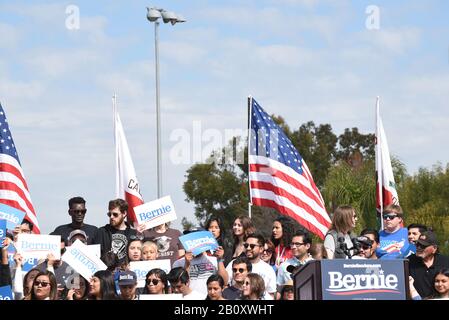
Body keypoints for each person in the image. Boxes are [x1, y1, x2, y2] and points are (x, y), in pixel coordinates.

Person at [226, 233, 276, 299]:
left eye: (252, 246)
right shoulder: (234, 263)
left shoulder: (268, 270)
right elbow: (225, 284)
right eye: (246, 245)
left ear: (261, 249)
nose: (248, 248)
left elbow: (271, 295)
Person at [94, 199, 137, 264]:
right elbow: (95, 256)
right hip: (107, 272)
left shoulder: (134, 233)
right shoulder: (101, 232)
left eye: (115, 214)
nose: (111, 217)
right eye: (109, 214)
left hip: (127, 272)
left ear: (124, 213)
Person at [408, 231, 449, 298]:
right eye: (417, 244)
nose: (419, 247)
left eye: (423, 246)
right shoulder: (408, 262)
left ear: (434, 248)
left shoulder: (446, 262)